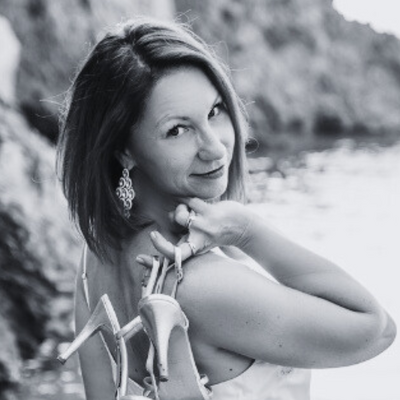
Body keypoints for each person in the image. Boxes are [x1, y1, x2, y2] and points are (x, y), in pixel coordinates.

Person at [57, 17, 396, 400]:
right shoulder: (204, 285)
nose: (215, 147)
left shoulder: (94, 257)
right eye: (177, 130)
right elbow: (377, 329)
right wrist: (247, 231)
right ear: (123, 150)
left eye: (215, 111)